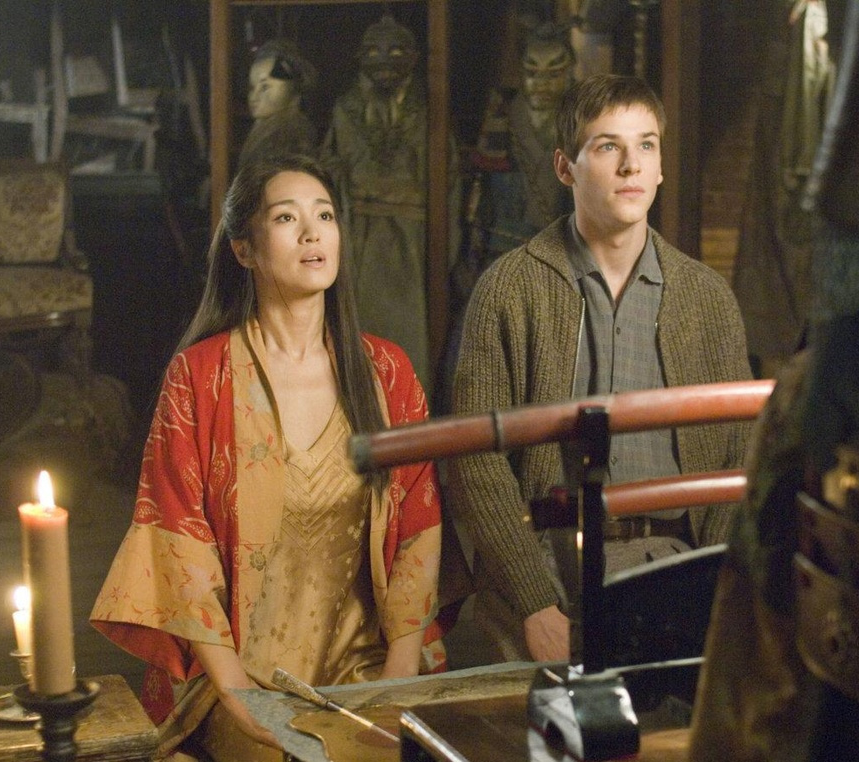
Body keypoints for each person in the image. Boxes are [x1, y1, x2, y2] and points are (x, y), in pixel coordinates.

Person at [90, 154, 446, 762]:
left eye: (325, 216)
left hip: (366, 669)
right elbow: (178, 544)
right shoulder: (201, 377)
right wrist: (239, 697)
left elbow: (419, 528)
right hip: (241, 676)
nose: (312, 233)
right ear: (244, 250)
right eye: (286, 218)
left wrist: (397, 679)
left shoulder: (387, 372)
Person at [445, 73, 754, 663]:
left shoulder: (707, 298)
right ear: (566, 168)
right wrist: (534, 603)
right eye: (609, 146)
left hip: (675, 565)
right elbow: (475, 459)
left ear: (660, 167)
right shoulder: (510, 287)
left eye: (646, 146)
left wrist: (711, 583)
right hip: (547, 570)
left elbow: (738, 453)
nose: (631, 166)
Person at [436, 20, 576, 413]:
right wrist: (470, 255)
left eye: (553, 72)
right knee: (476, 357)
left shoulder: (578, 123)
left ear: (569, 73)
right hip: (498, 254)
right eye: (532, 71)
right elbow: (479, 195)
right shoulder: (504, 117)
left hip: (558, 258)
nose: (541, 84)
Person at [319, 11, 459, 387]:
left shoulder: (429, 112)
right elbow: (329, 171)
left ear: (413, 58)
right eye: (373, 52)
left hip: (413, 240)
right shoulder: (345, 110)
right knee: (358, 339)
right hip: (358, 236)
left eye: (396, 52)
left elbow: (448, 179)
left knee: (409, 341)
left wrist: (447, 248)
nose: (384, 61)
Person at [237, 39, 320, 170]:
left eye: (265, 87)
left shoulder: (290, 138)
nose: (254, 96)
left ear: (292, 87)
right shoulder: (265, 129)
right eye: (252, 88)